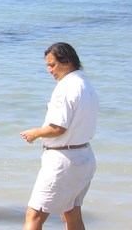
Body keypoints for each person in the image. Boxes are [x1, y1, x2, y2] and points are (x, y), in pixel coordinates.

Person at [20, 42, 97, 230]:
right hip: (84, 156)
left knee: (34, 215)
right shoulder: (85, 83)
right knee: (71, 212)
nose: (49, 71)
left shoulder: (66, 86)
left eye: (52, 65)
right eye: (48, 65)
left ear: (67, 62)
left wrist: (35, 132)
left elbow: (58, 128)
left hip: (63, 159)